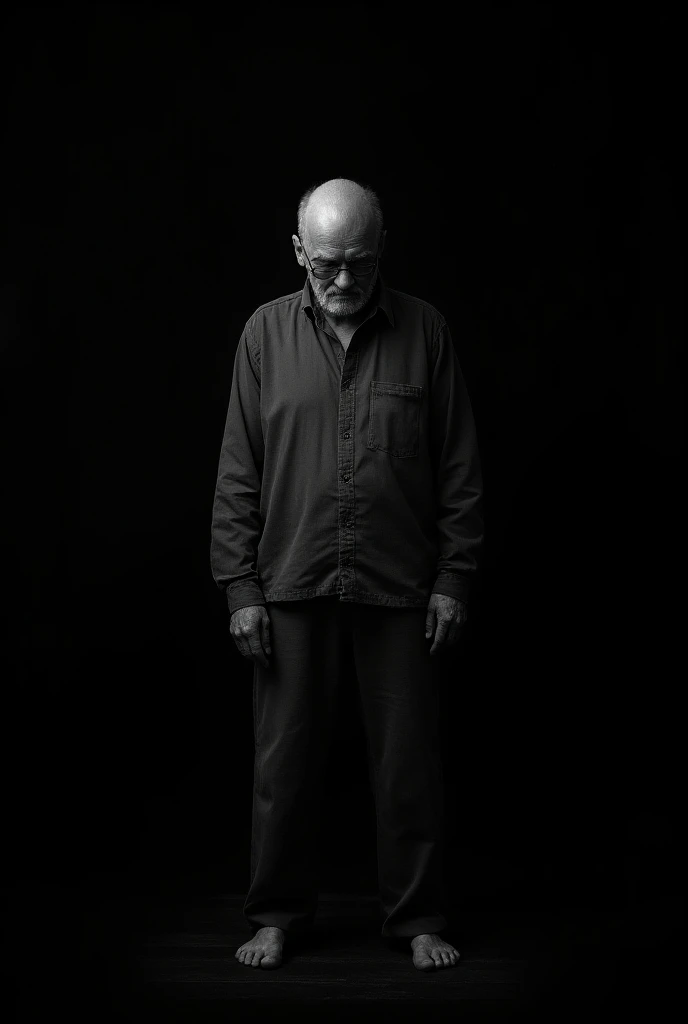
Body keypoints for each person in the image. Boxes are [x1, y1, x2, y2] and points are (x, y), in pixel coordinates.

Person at [210, 178, 483, 971]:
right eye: (324, 264)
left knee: (408, 764)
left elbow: (460, 468)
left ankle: (418, 917)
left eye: (357, 266)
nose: (339, 283)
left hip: (402, 588)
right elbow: (237, 473)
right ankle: (276, 915)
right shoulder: (262, 337)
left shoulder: (426, 331)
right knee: (283, 767)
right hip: (289, 582)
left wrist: (454, 578)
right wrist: (240, 588)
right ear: (298, 252)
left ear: (380, 253)